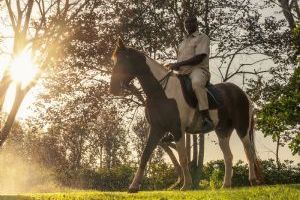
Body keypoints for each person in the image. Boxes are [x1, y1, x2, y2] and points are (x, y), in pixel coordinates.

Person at [165, 15, 213, 131]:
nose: (188, 25)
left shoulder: (202, 37)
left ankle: (206, 119)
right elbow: (180, 62)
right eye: (186, 24)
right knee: (168, 87)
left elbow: (199, 58)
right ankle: (170, 123)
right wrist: (173, 67)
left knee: (196, 84)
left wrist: (178, 65)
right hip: (182, 73)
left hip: (198, 70)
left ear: (196, 24)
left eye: (190, 23)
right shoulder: (182, 43)